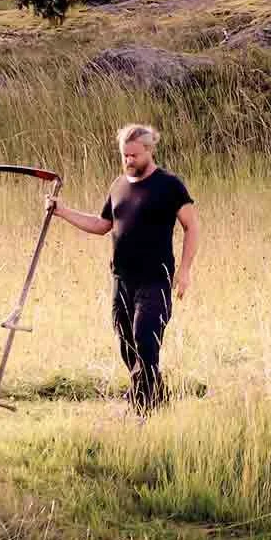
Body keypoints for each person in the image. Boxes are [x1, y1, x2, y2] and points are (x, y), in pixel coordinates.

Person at [46, 123, 201, 413]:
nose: (128, 160)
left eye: (134, 155)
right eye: (124, 155)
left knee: (145, 338)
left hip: (155, 279)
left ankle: (141, 406)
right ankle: (156, 397)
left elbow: (192, 226)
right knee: (126, 344)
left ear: (149, 150)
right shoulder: (118, 186)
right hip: (121, 279)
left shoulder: (169, 185)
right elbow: (101, 225)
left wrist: (185, 270)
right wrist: (61, 211)